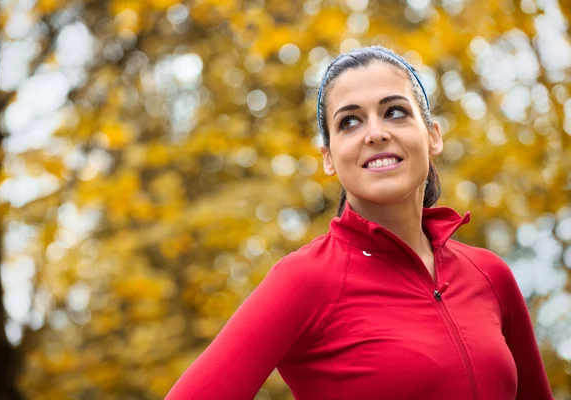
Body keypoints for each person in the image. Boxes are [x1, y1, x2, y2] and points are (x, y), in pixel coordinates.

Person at [165, 46, 553, 400]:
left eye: (395, 112)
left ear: (433, 136)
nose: (376, 133)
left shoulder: (490, 275)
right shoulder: (305, 280)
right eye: (349, 122)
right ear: (329, 157)